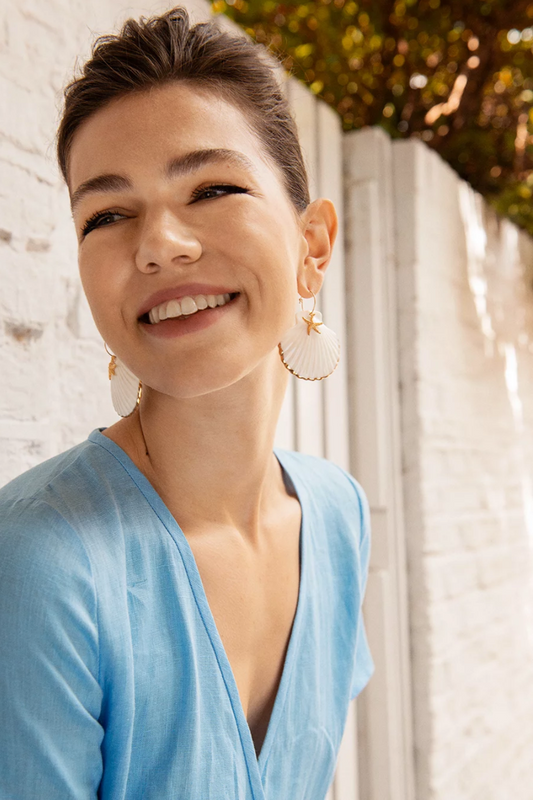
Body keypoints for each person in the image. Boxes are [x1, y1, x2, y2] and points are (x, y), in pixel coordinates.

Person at [0, 7, 374, 799]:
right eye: (106, 213)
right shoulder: (40, 563)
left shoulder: (338, 515)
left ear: (312, 247)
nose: (159, 242)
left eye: (211, 187)